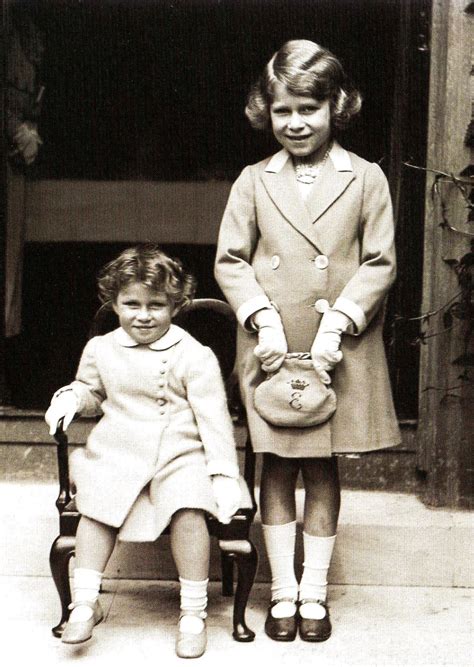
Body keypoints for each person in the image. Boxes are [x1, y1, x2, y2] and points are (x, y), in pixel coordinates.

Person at [214, 39, 401, 643]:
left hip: (335, 346)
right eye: (282, 111)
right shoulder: (252, 179)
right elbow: (231, 259)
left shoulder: (366, 178)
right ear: (263, 112)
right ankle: (283, 592)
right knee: (273, 464)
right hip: (273, 343)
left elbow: (379, 262)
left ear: (336, 107)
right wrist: (260, 317)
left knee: (321, 467)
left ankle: (314, 594)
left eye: (308, 110)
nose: (295, 123)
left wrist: (339, 321)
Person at [45, 245, 241, 659]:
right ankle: (85, 602)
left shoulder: (193, 354)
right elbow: (91, 391)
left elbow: (213, 418)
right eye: (131, 304)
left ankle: (192, 612)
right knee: (97, 505)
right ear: (113, 303)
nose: (144, 315)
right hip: (118, 447)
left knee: (189, 507)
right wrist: (70, 399)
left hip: (180, 450)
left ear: (176, 304)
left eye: (157, 305)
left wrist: (223, 472)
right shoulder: (102, 349)